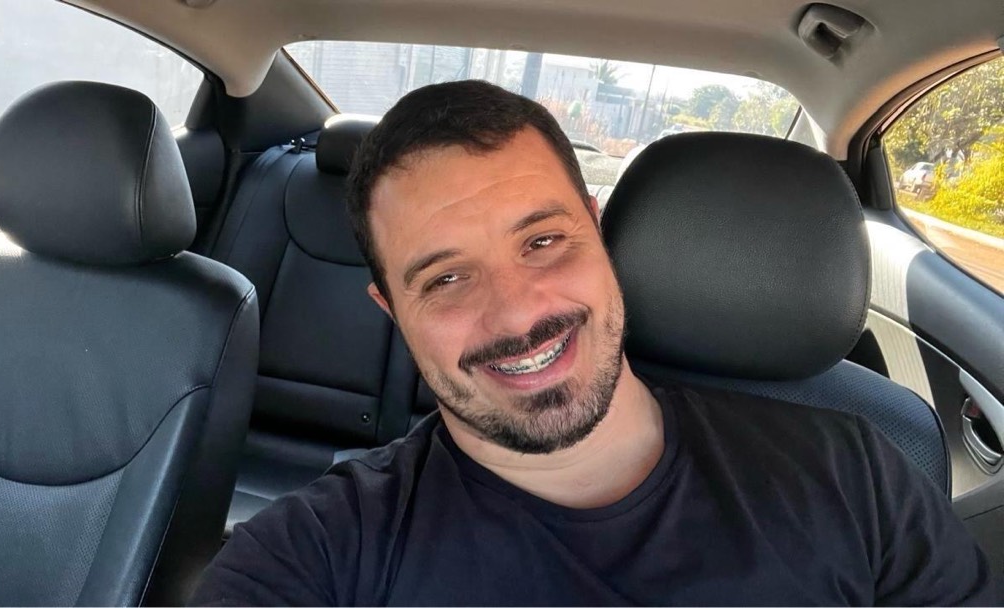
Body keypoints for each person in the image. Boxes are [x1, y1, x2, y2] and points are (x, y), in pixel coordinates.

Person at [191, 80, 996, 606]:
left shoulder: (855, 479)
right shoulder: (320, 556)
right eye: (445, 278)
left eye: (543, 241)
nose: (517, 314)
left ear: (599, 232)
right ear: (391, 311)